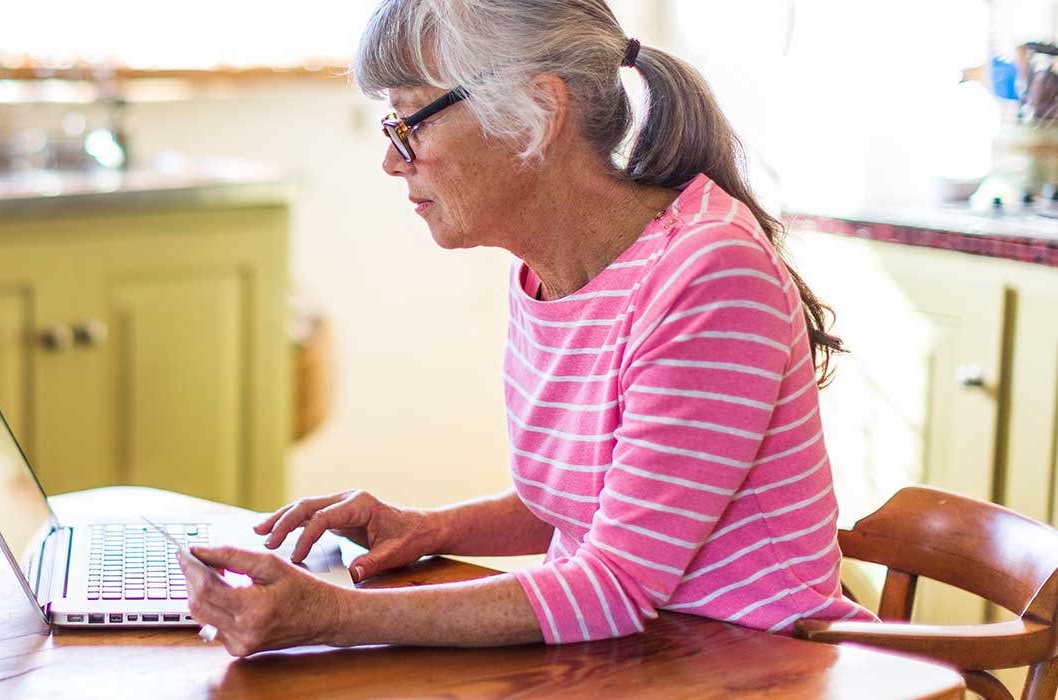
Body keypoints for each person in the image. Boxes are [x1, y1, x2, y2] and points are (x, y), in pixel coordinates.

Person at [177, 0, 878, 658]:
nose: (393, 160)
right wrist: (428, 528)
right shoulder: (544, 269)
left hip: (767, 667)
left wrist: (331, 616)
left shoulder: (710, 272)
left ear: (538, 113)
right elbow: (592, 506)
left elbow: (617, 586)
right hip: (637, 661)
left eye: (410, 121)